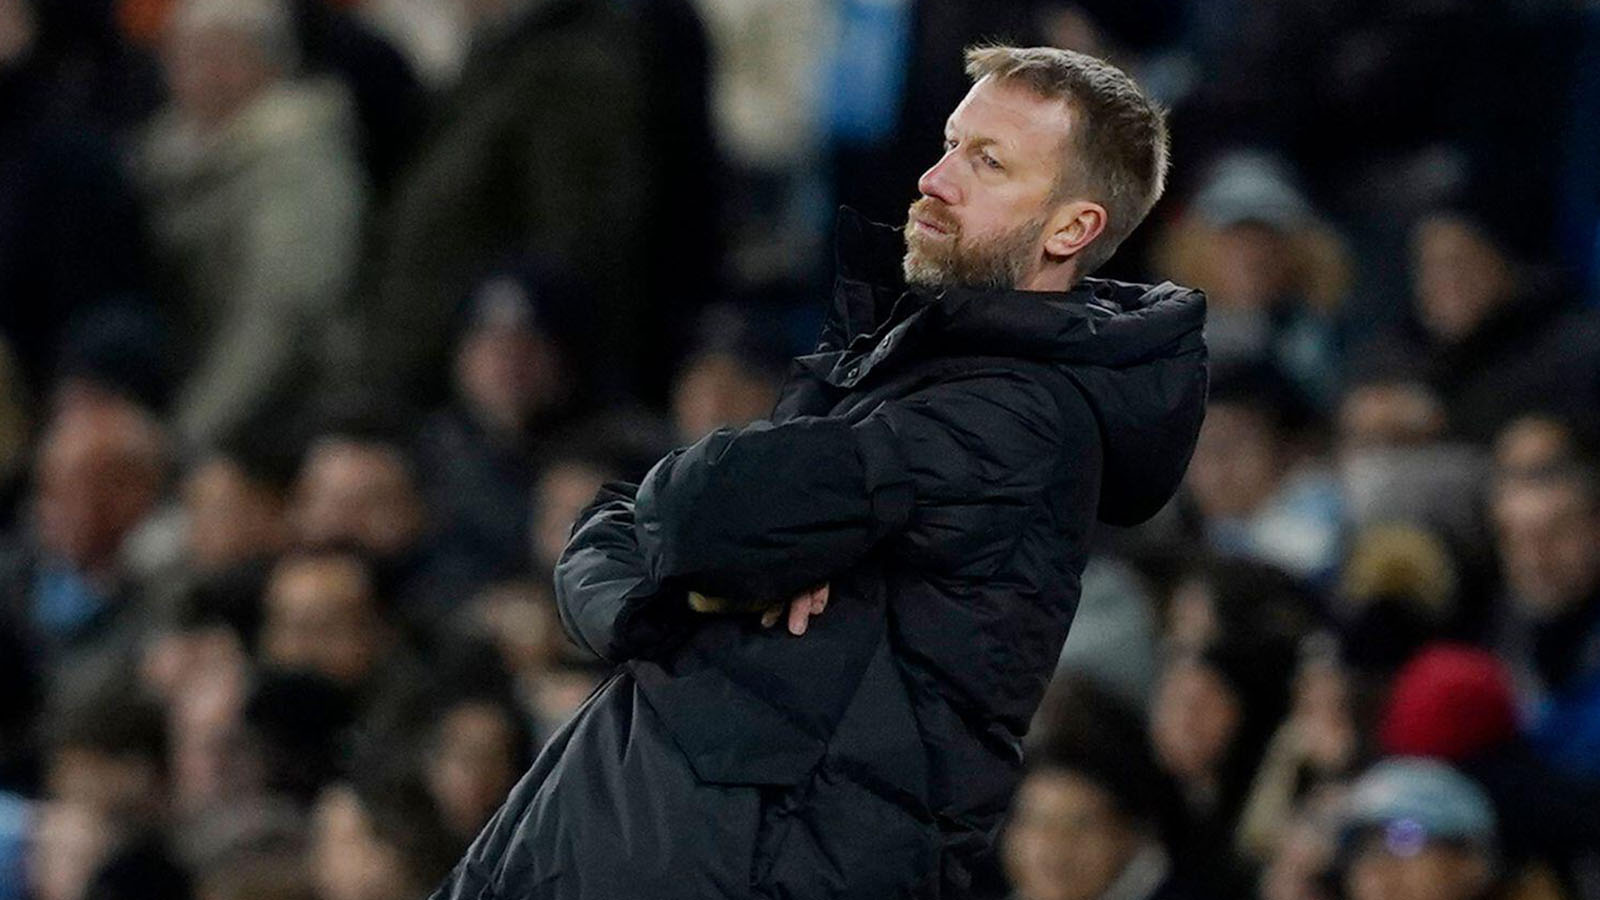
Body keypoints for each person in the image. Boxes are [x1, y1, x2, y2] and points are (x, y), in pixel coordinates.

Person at [431, 45, 1206, 899]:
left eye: (988, 162)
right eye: (951, 143)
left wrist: (678, 569)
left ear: (1072, 228)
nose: (938, 178)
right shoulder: (899, 374)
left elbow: (699, 512)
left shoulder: (1019, 415)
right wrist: (664, 603)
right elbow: (608, 532)